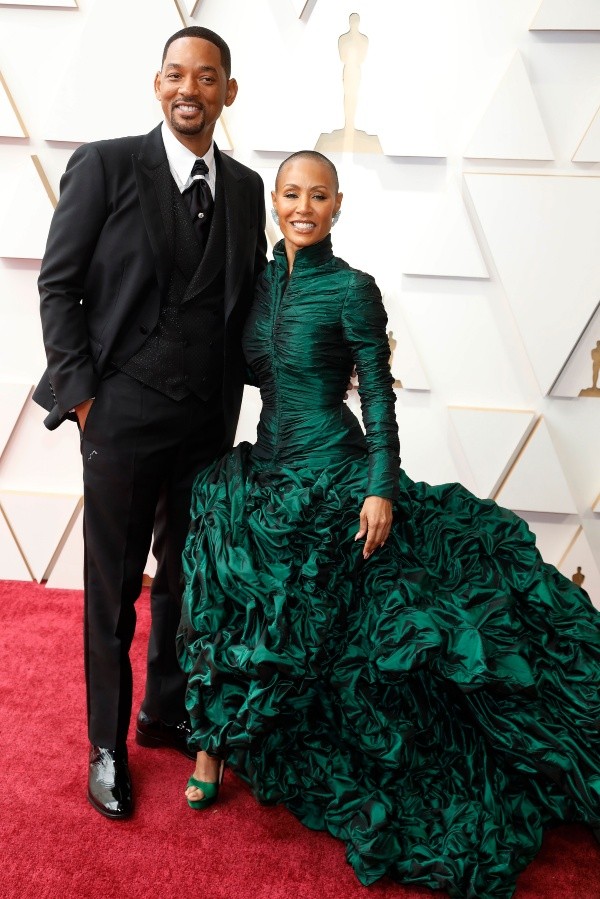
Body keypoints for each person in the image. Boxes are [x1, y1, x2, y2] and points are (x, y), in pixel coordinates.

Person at [176, 151, 600, 898]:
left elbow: (378, 395)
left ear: (338, 205)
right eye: (291, 194)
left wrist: (380, 489)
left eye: (318, 196)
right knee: (220, 551)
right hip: (267, 469)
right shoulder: (258, 284)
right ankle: (211, 745)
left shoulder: (353, 289)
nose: (303, 207)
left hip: (338, 473)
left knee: (369, 627)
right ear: (275, 202)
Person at [32, 26, 267, 820]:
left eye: (206, 76)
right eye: (175, 74)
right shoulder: (104, 165)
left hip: (206, 420)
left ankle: (164, 710)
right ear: (158, 85)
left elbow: (246, 303)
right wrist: (85, 397)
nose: (188, 88)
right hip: (122, 413)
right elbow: (58, 285)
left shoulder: (245, 189)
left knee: (187, 578)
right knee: (112, 587)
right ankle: (105, 744)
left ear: (228, 91)